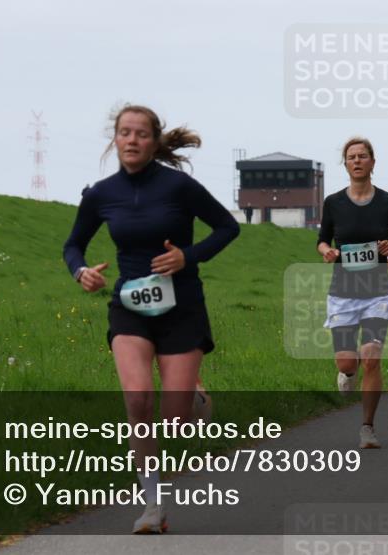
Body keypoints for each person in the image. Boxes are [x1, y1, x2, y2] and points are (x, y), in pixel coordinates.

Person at [62, 104, 240, 534]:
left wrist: (187, 256)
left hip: (182, 307)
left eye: (141, 133)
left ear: (154, 140)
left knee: (175, 421)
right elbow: (73, 246)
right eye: (124, 132)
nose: (132, 140)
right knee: (138, 399)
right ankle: (152, 505)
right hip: (131, 308)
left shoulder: (180, 187)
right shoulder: (100, 194)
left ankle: (196, 397)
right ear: (115, 139)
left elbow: (227, 227)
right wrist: (81, 272)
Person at [318, 137, 388, 448]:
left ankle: (367, 428)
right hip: (343, 292)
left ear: (373, 162)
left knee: (372, 358)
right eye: (351, 157)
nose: (357, 161)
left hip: (377, 292)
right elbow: (322, 239)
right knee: (348, 363)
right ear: (345, 164)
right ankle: (348, 373)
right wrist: (327, 252)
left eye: (362, 156)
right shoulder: (333, 202)